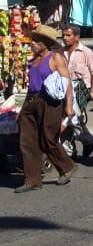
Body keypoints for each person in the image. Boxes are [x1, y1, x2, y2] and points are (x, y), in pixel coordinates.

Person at [15, 25, 78, 192]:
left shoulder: (55, 57)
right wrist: (21, 109)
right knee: (27, 141)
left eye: (36, 41)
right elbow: (30, 87)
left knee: (47, 138)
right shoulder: (32, 60)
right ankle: (32, 180)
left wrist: (69, 105)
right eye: (32, 40)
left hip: (49, 102)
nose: (32, 43)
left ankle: (66, 167)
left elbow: (67, 83)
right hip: (31, 100)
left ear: (45, 42)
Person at [61, 24, 93, 157]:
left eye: (68, 35)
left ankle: (87, 140)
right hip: (64, 89)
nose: (65, 38)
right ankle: (70, 151)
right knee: (66, 119)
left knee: (73, 117)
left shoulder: (86, 52)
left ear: (77, 37)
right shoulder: (61, 52)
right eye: (63, 35)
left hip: (81, 90)